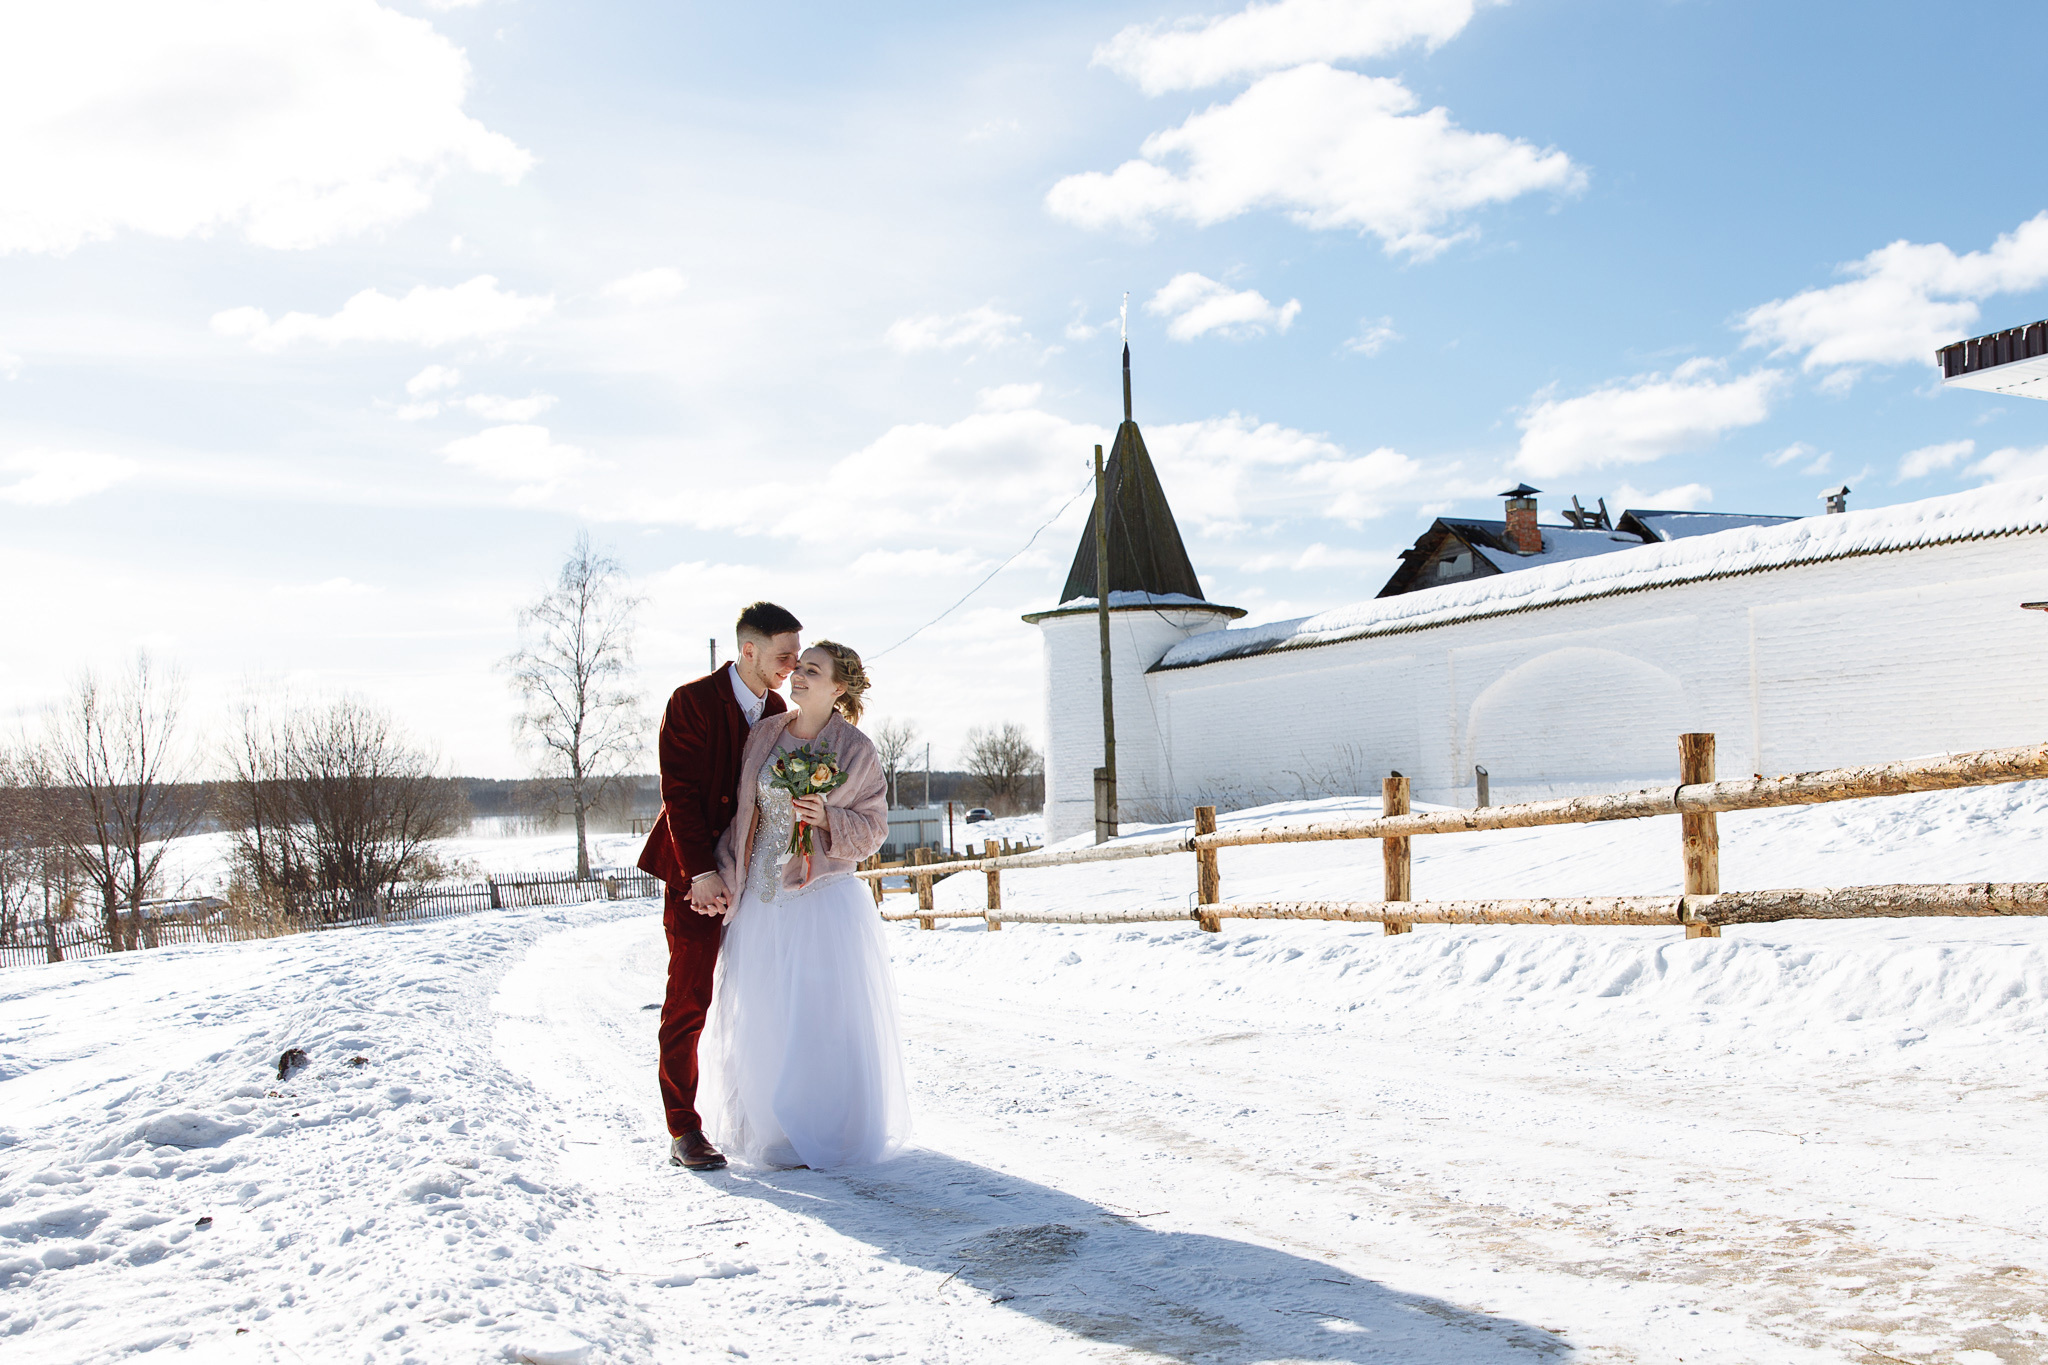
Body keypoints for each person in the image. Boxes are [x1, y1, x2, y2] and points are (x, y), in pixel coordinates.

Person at [701, 641, 909, 1169]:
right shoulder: (765, 734)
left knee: (817, 1020)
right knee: (765, 1014)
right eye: (799, 666)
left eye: (812, 670)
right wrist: (724, 874)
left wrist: (827, 819)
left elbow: (875, 831)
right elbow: (745, 815)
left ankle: (822, 1128)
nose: (797, 674)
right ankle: (773, 1129)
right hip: (761, 903)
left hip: (821, 904)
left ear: (838, 687)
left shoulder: (855, 750)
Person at [638, 601, 803, 1172]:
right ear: (749, 650)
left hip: (756, 880)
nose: (793, 666)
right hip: (697, 878)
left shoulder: (779, 710)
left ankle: (767, 1120)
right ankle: (684, 1127)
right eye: (785, 656)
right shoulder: (690, 702)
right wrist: (699, 872)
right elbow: (678, 794)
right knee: (689, 1000)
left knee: (764, 998)